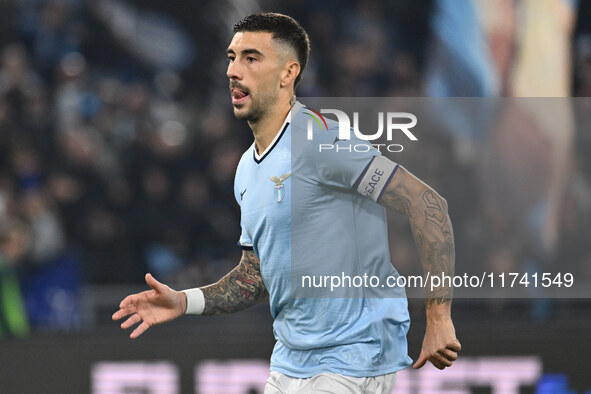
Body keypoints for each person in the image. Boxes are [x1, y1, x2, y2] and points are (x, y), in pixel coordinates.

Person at [113, 13, 461, 393]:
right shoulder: (247, 170)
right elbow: (255, 277)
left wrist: (439, 316)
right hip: (290, 361)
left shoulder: (323, 141)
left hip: (355, 355)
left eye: (251, 58)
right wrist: (184, 301)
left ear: (288, 73)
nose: (233, 70)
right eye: (231, 58)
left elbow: (427, 203)